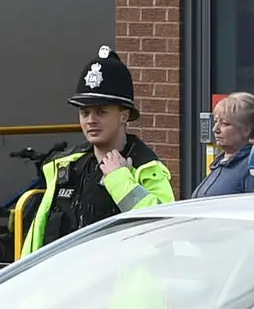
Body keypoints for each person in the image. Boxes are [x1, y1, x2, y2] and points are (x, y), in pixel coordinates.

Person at [18, 45, 176, 256]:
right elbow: (38, 240)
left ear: (124, 115)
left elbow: (164, 232)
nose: (91, 120)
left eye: (101, 112)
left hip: (118, 288)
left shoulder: (146, 168)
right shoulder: (65, 166)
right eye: (85, 112)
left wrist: (120, 180)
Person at [187, 92, 254, 197]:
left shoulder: (253, 166)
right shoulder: (223, 163)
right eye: (216, 121)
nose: (215, 129)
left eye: (225, 124)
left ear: (246, 130)